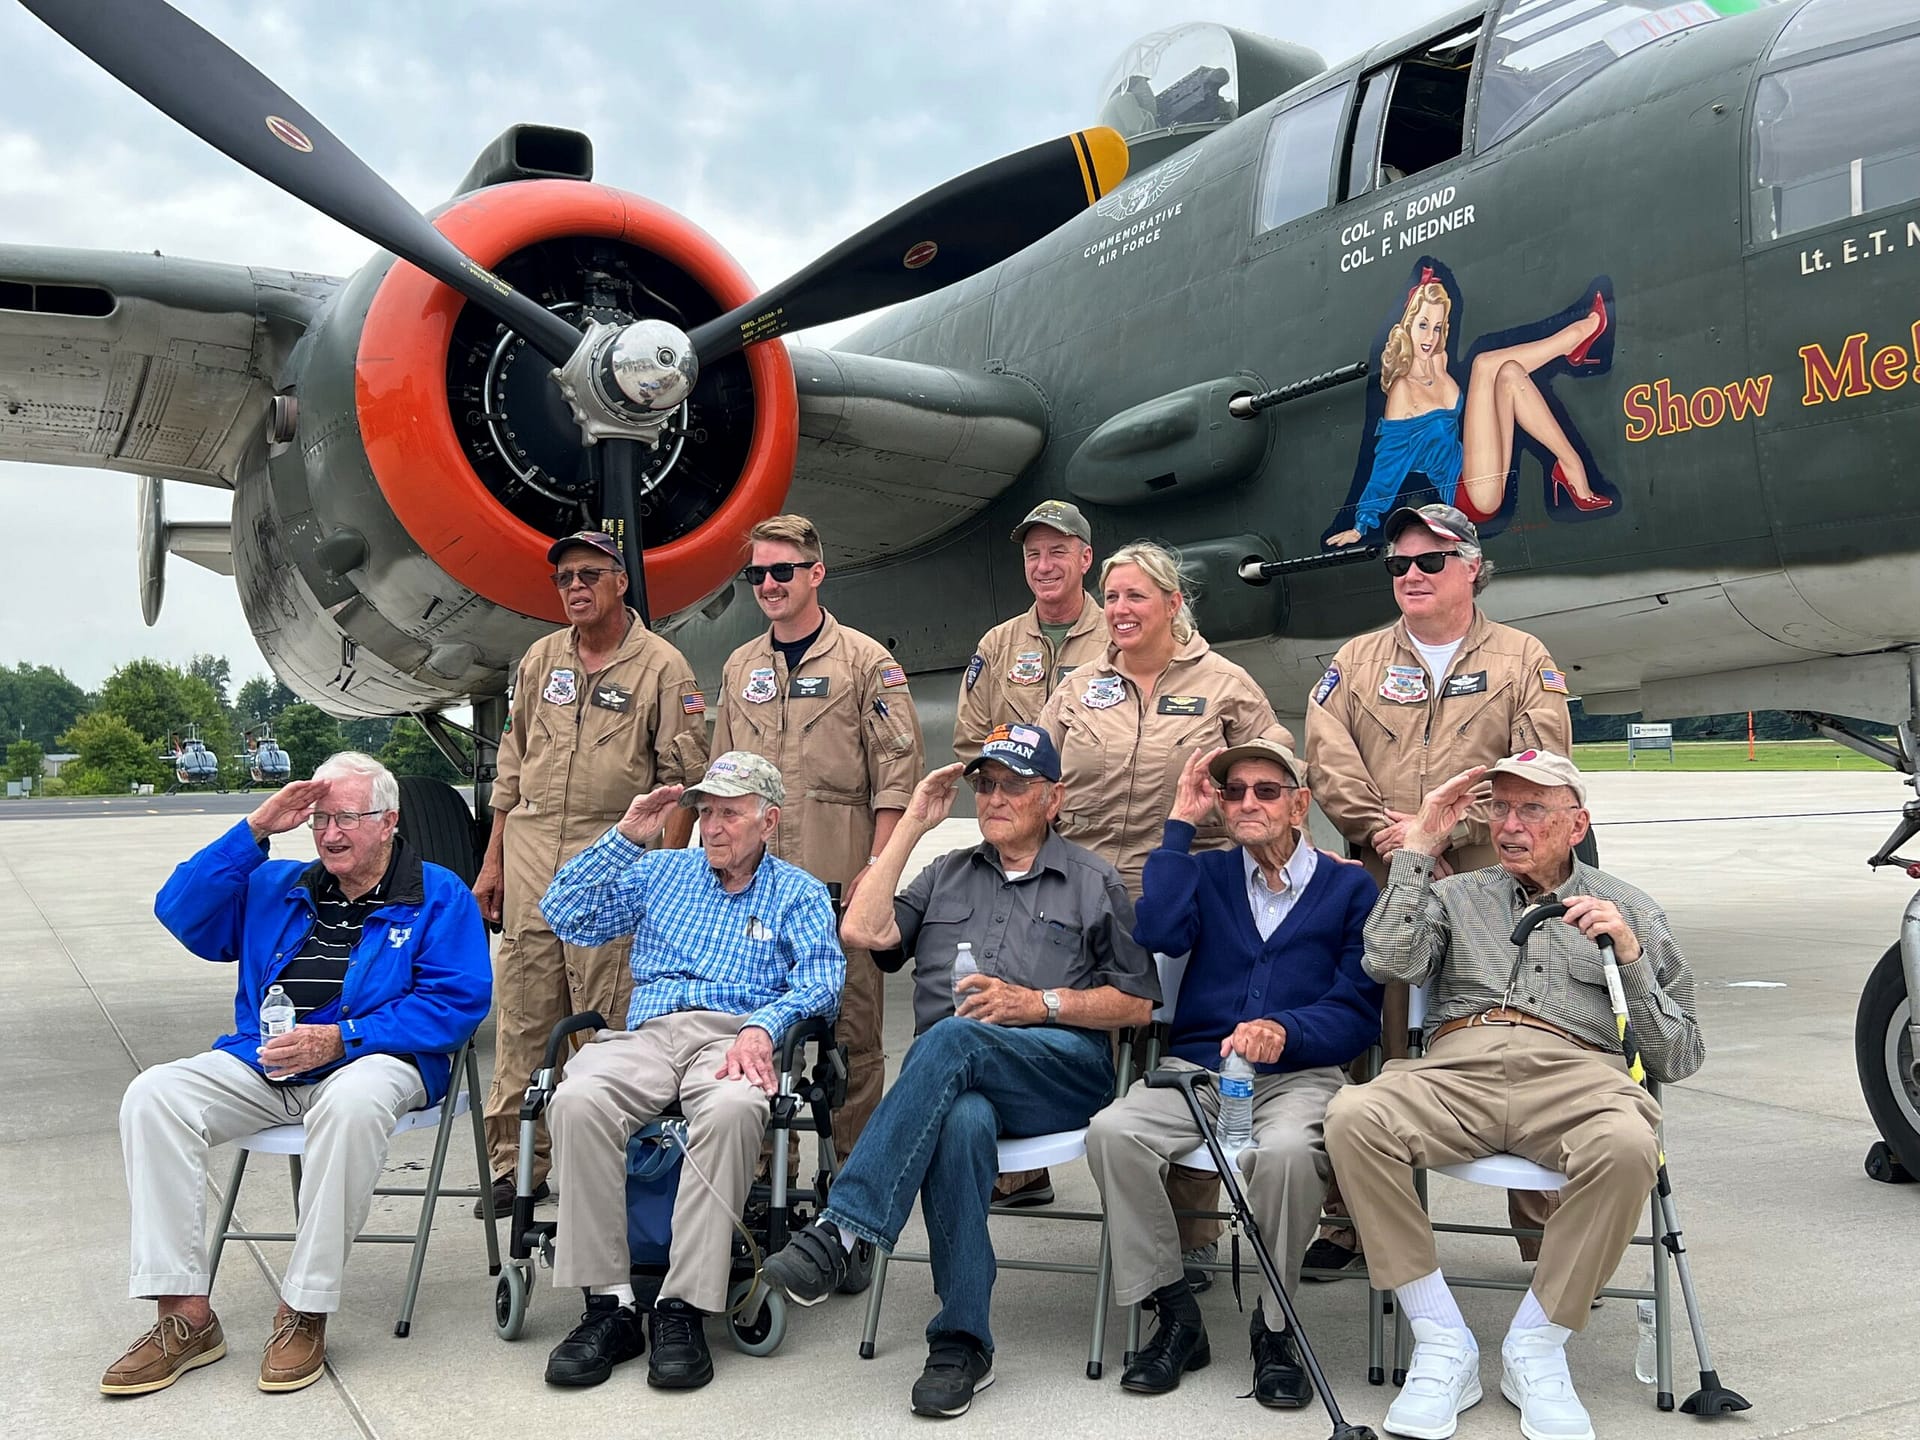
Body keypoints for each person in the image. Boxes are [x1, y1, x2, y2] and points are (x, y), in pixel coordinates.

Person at [760, 729, 1158, 1420]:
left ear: (1054, 798)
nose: (994, 798)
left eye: (1013, 784)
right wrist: (913, 823)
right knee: (961, 1117)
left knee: (952, 1041)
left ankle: (844, 1228)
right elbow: (860, 930)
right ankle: (961, 1344)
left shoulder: (1093, 881)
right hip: (950, 1082)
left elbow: (1138, 1004)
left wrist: (1039, 1005)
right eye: (986, 785)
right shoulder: (946, 872)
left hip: (1059, 1072)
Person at [1324, 750, 1702, 1440]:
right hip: (1457, 1065)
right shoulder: (1453, 894)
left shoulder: (1631, 906)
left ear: (1577, 824)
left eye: (1532, 809)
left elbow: (1678, 1055)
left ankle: (1537, 1343)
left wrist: (1627, 954)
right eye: (1499, 807)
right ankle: (1441, 1339)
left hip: (1575, 1071)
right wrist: (1418, 848)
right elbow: (1388, 961)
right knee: (1353, 1114)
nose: (1510, 824)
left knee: (1628, 1143)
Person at [105, 753, 490, 1397]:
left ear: (389, 821)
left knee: (351, 1102)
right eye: (318, 819)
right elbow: (178, 910)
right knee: (154, 1095)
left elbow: (457, 1004)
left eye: (346, 818)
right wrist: (256, 827)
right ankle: (183, 1317)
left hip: (377, 1060)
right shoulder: (275, 885)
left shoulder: (437, 893)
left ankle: (304, 1309)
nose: (330, 833)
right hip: (267, 1059)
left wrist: (343, 1037)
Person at [1303, 502, 1572, 1278]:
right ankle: (1350, 1222)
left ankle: (1545, 1234)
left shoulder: (1524, 658)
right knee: (1363, 1045)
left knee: (1510, 1034)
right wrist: (1400, 838)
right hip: (1380, 879)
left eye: (1430, 561)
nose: (1412, 575)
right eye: (1399, 564)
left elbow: (1539, 762)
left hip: (1493, 878)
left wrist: (1446, 834)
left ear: (1472, 568)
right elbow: (1328, 758)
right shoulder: (1353, 661)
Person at [536, 752, 844, 1392]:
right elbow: (563, 913)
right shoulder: (661, 872)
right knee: (576, 1098)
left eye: (729, 813)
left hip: (736, 1036)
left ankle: (682, 1306)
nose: (713, 826)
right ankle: (611, 1306)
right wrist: (624, 839)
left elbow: (822, 982)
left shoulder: (799, 891)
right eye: (705, 812)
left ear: (769, 821)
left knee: (735, 1109)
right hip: (650, 1033)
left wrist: (766, 1025)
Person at [1086, 738, 1381, 1407]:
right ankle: (1176, 1314)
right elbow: (1158, 933)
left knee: (1284, 1154)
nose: (1247, 801)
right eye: (1233, 790)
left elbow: (1361, 1011)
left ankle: (1274, 1329)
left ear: (1300, 804)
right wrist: (1180, 825)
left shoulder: (1348, 887)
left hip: (1300, 1075)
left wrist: (1290, 1029)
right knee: (1112, 1133)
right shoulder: (1209, 874)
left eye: (1266, 790)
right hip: (1198, 1069)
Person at [1039, 538, 1277, 1284]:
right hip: (1082, 896)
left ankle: (1194, 1235)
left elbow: (1272, 769)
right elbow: (1036, 769)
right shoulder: (1080, 687)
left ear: (1175, 603)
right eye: (1110, 598)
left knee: (1189, 1059)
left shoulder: (1225, 684)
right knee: (1084, 1043)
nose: (1119, 610)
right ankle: (1109, 1205)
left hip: (1191, 895)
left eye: (1136, 596)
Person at [473, 529, 710, 1216]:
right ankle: (517, 1167)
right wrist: (492, 860)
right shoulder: (542, 659)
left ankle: (616, 1158)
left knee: (605, 1021)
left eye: (588, 574)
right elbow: (510, 769)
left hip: (613, 856)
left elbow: (681, 786)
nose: (574, 587)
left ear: (619, 581)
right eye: (564, 578)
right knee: (521, 1015)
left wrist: (659, 876)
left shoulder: (662, 668)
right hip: (530, 850)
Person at [709, 513, 923, 1159]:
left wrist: (878, 872)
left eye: (782, 571)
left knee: (852, 1039)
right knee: (755, 1034)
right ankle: (763, 1190)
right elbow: (718, 784)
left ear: (816, 573)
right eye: (758, 574)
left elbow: (897, 776)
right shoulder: (740, 665)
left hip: (839, 885)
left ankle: (852, 1188)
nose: (769, 585)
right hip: (752, 895)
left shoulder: (866, 663)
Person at [954, 497, 1109, 1207]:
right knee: (1009, 977)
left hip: (1097, 843)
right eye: (1032, 555)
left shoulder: (1118, 635)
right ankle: (1020, 1165)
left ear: (1086, 559)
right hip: (1020, 846)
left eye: (1058, 552)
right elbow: (970, 741)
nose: (1044, 566)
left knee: (1102, 990)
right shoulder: (995, 644)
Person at [1323, 273, 1611, 546]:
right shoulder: (1402, 392)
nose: (1430, 338)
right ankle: (1574, 339)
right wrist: (1361, 524)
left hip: (1482, 470)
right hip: (1467, 495)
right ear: (1407, 325)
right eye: (1422, 325)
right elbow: (1387, 466)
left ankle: (1570, 468)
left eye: (1437, 328)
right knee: (1484, 366)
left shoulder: (1439, 363)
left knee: (1510, 374)